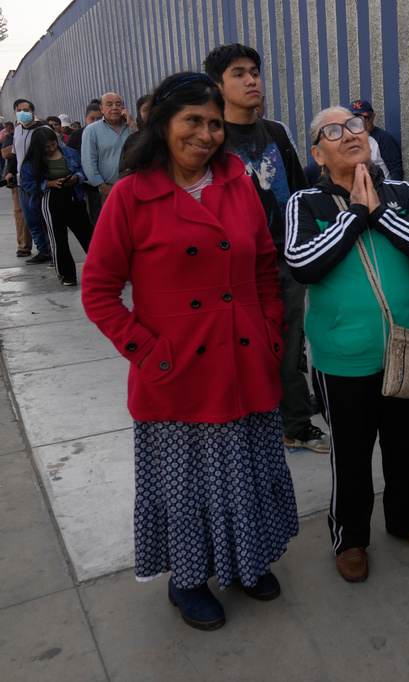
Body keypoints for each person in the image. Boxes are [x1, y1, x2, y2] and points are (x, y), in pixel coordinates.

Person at [80, 72, 299, 631]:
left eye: (215, 124)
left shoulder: (238, 182)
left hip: (246, 360)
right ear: (163, 125)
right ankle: (188, 579)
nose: (207, 135)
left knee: (246, 471)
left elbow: (263, 268)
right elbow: (99, 290)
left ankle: (248, 563)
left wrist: (271, 329)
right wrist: (148, 352)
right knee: (189, 485)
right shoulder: (131, 194)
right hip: (177, 371)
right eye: (193, 122)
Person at [284, 106, 409, 583]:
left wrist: (379, 211)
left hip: (406, 345)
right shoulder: (306, 203)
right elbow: (302, 263)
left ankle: (406, 521)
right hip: (343, 357)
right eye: (331, 131)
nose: (348, 134)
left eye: (355, 126)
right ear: (317, 153)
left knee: (405, 445)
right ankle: (351, 537)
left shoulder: (401, 193)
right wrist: (357, 214)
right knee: (352, 453)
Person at [203, 43, 330, 454]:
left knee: (291, 345)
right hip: (233, 266)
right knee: (242, 348)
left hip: (284, 257)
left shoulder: (274, 131)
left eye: (254, 71)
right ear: (218, 85)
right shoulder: (211, 138)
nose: (251, 79)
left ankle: (294, 423)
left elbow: (297, 191)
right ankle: (247, 426)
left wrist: (305, 244)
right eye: (239, 73)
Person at [19, 126, 92, 286]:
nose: (51, 149)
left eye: (53, 144)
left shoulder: (69, 153)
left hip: (74, 195)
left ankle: (104, 270)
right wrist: (49, 183)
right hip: (51, 199)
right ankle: (67, 276)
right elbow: (26, 183)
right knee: (58, 239)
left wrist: (76, 178)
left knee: (88, 234)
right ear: (38, 147)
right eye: (47, 147)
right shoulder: (31, 162)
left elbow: (83, 170)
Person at [12, 99, 54, 264]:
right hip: (24, 183)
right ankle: (43, 251)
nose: (22, 112)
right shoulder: (17, 131)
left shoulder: (43, 129)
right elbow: (15, 156)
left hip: (43, 181)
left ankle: (54, 251)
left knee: (47, 218)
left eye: (26, 109)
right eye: (19, 110)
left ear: (33, 112)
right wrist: (11, 173)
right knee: (31, 219)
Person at [81, 92, 134, 206]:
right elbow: (88, 163)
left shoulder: (132, 127)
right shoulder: (92, 130)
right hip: (110, 189)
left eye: (118, 104)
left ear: (123, 107)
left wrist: (132, 125)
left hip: (135, 187)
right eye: (109, 104)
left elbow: (145, 149)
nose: (114, 107)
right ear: (102, 109)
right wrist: (104, 188)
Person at [2, 121, 33, 257]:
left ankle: (47, 248)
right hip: (17, 180)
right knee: (20, 214)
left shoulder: (37, 132)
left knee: (40, 212)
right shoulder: (11, 136)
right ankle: (24, 246)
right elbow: (5, 153)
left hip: (35, 178)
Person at [350, 99, 403, 180]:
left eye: (365, 118)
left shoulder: (383, 138)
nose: (361, 123)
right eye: (356, 120)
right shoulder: (348, 140)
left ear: (373, 116)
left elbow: (396, 170)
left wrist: (391, 192)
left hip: (380, 190)